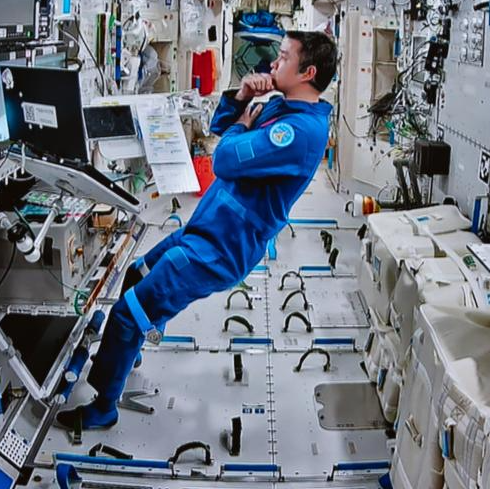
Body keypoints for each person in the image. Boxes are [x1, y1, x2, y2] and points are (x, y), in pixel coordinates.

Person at [55, 31, 338, 430]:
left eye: (284, 57)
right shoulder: (281, 105)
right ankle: (128, 349)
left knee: (126, 313)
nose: (274, 63)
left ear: (307, 72)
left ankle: (104, 407)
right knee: (136, 274)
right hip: (206, 228)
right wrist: (241, 98)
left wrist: (242, 125)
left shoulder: (299, 133)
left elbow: (224, 159)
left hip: (222, 247)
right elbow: (222, 127)